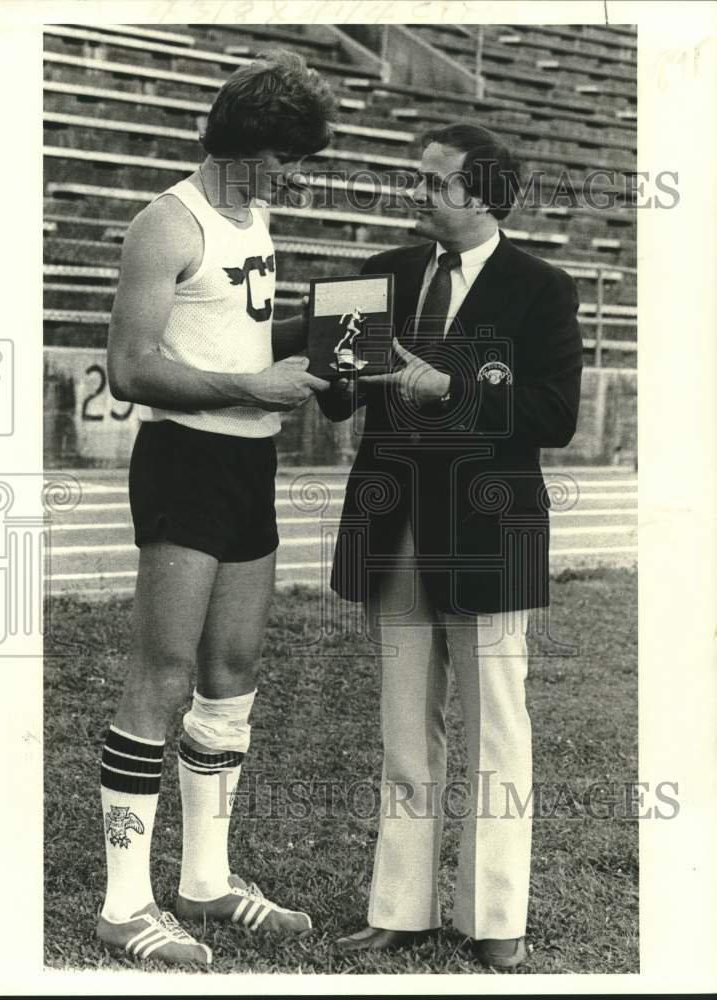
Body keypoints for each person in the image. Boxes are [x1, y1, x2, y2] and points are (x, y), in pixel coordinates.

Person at [319, 123, 583, 969]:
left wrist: (452, 385)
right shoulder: (384, 273)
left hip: (489, 529)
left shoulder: (542, 288)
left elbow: (554, 415)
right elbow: (335, 396)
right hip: (393, 523)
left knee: (496, 728)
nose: (417, 192)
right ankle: (400, 908)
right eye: (418, 177)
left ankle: (495, 918)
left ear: (482, 194)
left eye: (434, 182)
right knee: (406, 728)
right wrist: (336, 370)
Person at [97, 50, 332, 967]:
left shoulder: (256, 212)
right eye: (289, 156)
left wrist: (328, 336)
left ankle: (205, 880)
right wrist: (250, 385)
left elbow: (239, 323)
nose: (297, 174)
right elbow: (130, 368)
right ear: (249, 144)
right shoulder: (167, 221)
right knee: (161, 671)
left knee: (230, 672)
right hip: (184, 461)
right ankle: (124, 903)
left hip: (249, 465)